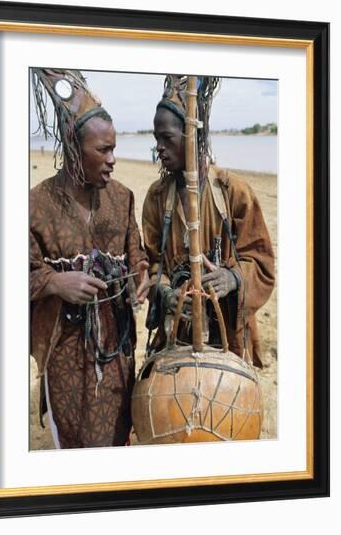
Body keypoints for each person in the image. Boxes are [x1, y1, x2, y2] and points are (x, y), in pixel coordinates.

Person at [30, 69, 149, 448]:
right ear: (72, 147)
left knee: (116, 434)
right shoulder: (35, 205)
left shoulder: (123, 197)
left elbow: (137, 255)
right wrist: (54, 282)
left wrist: (140, 277)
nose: (113, 159)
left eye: (114, 148)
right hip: (63, 348)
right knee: (73, 439)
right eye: (103, 150)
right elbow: (2, 272)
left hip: (117, 347)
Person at [142, 75, 275, 367]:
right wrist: (166, 293)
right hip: (176, 337)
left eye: (167, 138)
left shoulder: (233, 191)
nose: (159, 148)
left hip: (229, 336)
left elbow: (262, 261)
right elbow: (150, 263)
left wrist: (234, 277)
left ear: (191, 136)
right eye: (156, 139)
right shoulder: (156, 198)